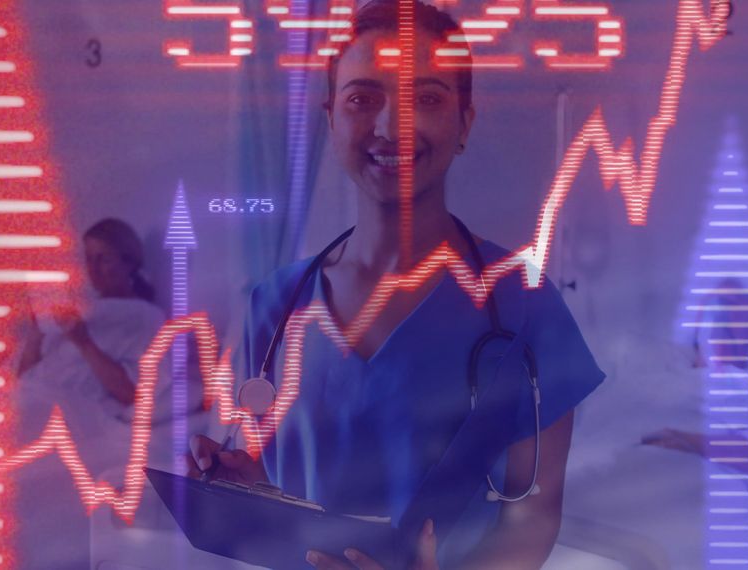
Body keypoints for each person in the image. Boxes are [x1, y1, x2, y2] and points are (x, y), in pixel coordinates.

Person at [186, 1, 604, 568]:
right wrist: (251, 488)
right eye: (363, 98)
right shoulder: (275, 306)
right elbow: (302, 492)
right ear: (331, 117)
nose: (391, 125)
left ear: (464, 121)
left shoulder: (526, 305)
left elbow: (533, 517)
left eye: (427, 97)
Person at [17, 218, 167, 438]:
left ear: (129, 263)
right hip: (24, 395)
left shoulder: (145, 316)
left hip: (62, 406)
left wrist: (84, 342)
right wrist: (36, 331)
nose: (93, 269)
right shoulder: (78, 309)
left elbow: (131, 394)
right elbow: (24, 377)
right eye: (88, 259)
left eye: (103, 258)